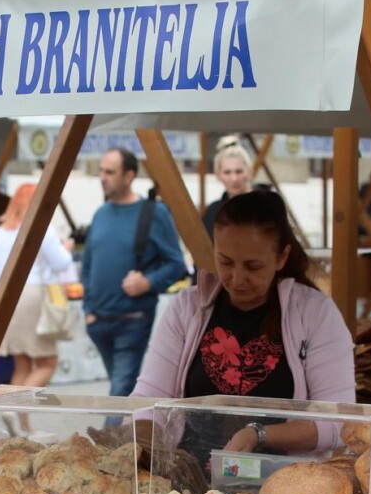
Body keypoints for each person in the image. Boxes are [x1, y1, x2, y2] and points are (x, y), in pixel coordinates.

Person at [131, 190, 355, 469]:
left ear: (282, 257)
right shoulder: (186, 309)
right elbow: (149, 396)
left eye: (253, 266)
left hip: (284, 488)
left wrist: (259, 435)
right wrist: (143, 442)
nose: (237, 278)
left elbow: (341, 422)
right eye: (225, 262)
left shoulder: (316, 314)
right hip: (187, 488)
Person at [82, 147, 187, 396]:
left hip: (132, 321)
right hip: (99, 321)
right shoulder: (100, 213)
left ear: (128, 176)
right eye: (100, 171)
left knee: (120, 391)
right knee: (120, 390)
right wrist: (88, 310)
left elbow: (177, 264)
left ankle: (106, 436)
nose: (102, 177)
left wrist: (148, 282)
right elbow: (87, 266)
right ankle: (127, 433)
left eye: (109, 172)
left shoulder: (152, 213)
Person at [0, 183, 75, 387]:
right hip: (31, 296)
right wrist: (67, 248)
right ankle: (10, 405)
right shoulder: (42, 228)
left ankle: (20, 418)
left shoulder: (0, 233)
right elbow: (61, 262)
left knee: (22, 364)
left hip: (3, 297)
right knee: (48, 363)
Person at [202, 137, 254, 238]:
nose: (234, 178)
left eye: (239, 171)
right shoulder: (213, 213)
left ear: (250, 172)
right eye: (227, 172)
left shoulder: (267, 208)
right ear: (218, 175)